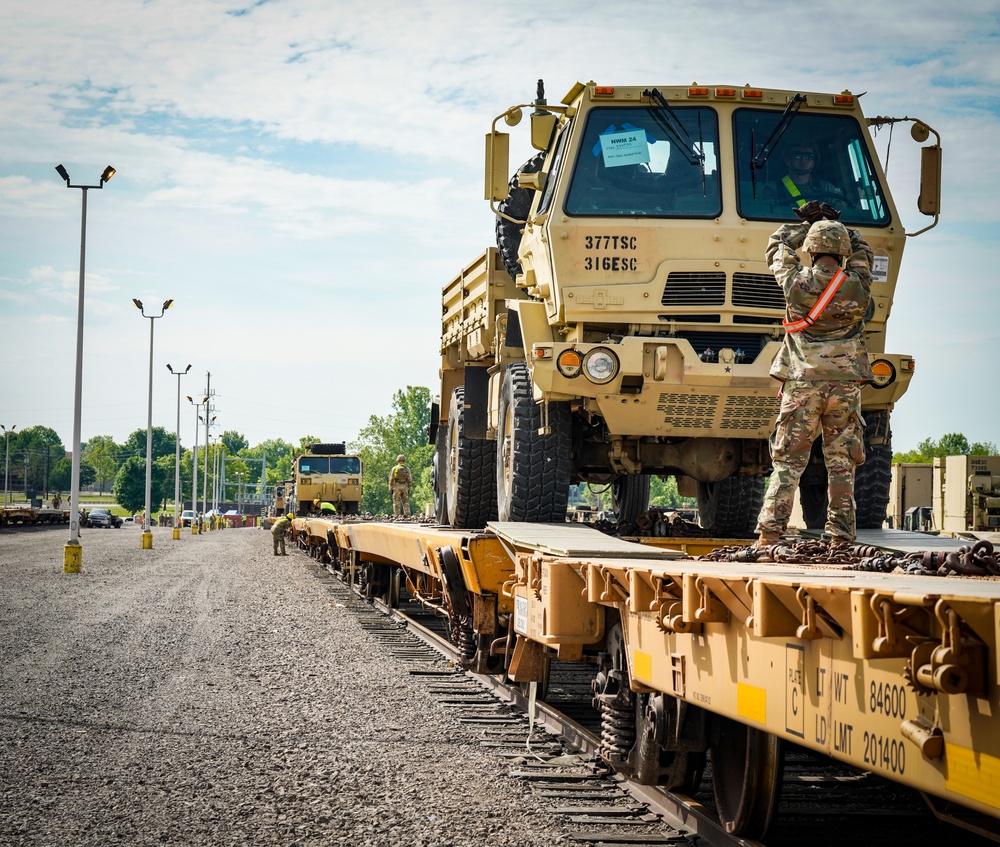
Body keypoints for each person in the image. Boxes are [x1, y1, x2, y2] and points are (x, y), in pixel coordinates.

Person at [755, 201, 874, 551]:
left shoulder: (796, 283)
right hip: (845, 386)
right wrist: (839, 225)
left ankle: (770, 534)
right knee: (842, 465)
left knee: (789, 464)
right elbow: (863, 249)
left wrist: (808, 227)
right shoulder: (859, 285)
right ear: (842, 253)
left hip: (803, 385)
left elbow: (776, 246)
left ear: (811, 250)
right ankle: (841, 538)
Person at [763, 142, 842, 210]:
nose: (803, 160)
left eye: (808, 156)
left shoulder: (826, 188)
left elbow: (844, 212)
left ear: (814, 162)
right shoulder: (771, 188)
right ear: (787, 160)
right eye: (797, 155)